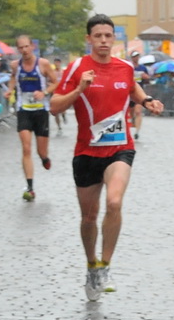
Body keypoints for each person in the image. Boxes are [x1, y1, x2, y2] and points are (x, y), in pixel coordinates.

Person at [50, 15, 165, 301]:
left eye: (108, 36)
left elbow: (132, 89)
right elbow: (54, 107)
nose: (103, 41)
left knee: (114, 202)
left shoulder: (125, 67)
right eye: (98, 36)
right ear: (88, 39)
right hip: (86, 152)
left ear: (114, 38)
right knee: (89, 216)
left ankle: (105, 266)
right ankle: (91, 265)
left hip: (119, 148)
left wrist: (147, 100)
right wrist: (79, 90)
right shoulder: (77, 68)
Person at [12, 35, 56, 202]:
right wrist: (9, 90)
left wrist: (43, 93)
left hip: (41, 111)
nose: (24, 50)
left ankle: (45, 158)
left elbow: (55, 82)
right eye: (20, 48)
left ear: (32, 47)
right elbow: (12, 79)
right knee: (26, 148)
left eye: (26, 47)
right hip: (24, 110)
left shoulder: (43, 64)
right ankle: (30, 187)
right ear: (18, 49)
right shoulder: (15, 65)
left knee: (40, 151)